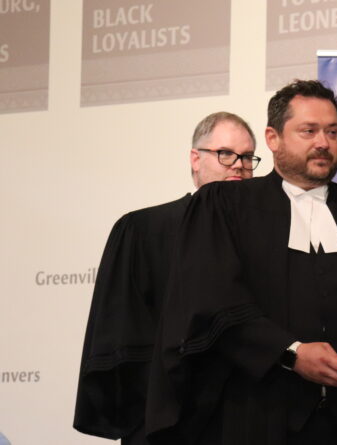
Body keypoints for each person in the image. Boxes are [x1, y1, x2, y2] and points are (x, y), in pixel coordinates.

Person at [143, 80, 337, 445]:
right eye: (308, 131)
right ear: (273, 138)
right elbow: (212, 300)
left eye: (332, 131)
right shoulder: (224, 205)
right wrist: (290, 353)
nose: (323, 142)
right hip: (254, 415)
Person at [74, 112, 259, 445]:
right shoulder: (143, 231)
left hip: (250, 419)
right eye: (225, 153)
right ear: (195, 159)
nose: (238, 165)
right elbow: (121, 342)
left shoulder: (269, 241)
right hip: (165, 422)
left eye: (247, 157)